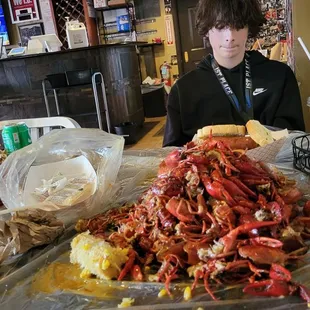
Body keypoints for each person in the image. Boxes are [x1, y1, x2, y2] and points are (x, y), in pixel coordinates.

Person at [163, 0, 305, 147]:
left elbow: (295, 142)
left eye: (238, 26)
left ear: (249, 27)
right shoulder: (182, 91)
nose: (229, 36)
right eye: (220, 26)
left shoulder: (280, 77)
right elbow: (171, 155)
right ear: (206, 29)